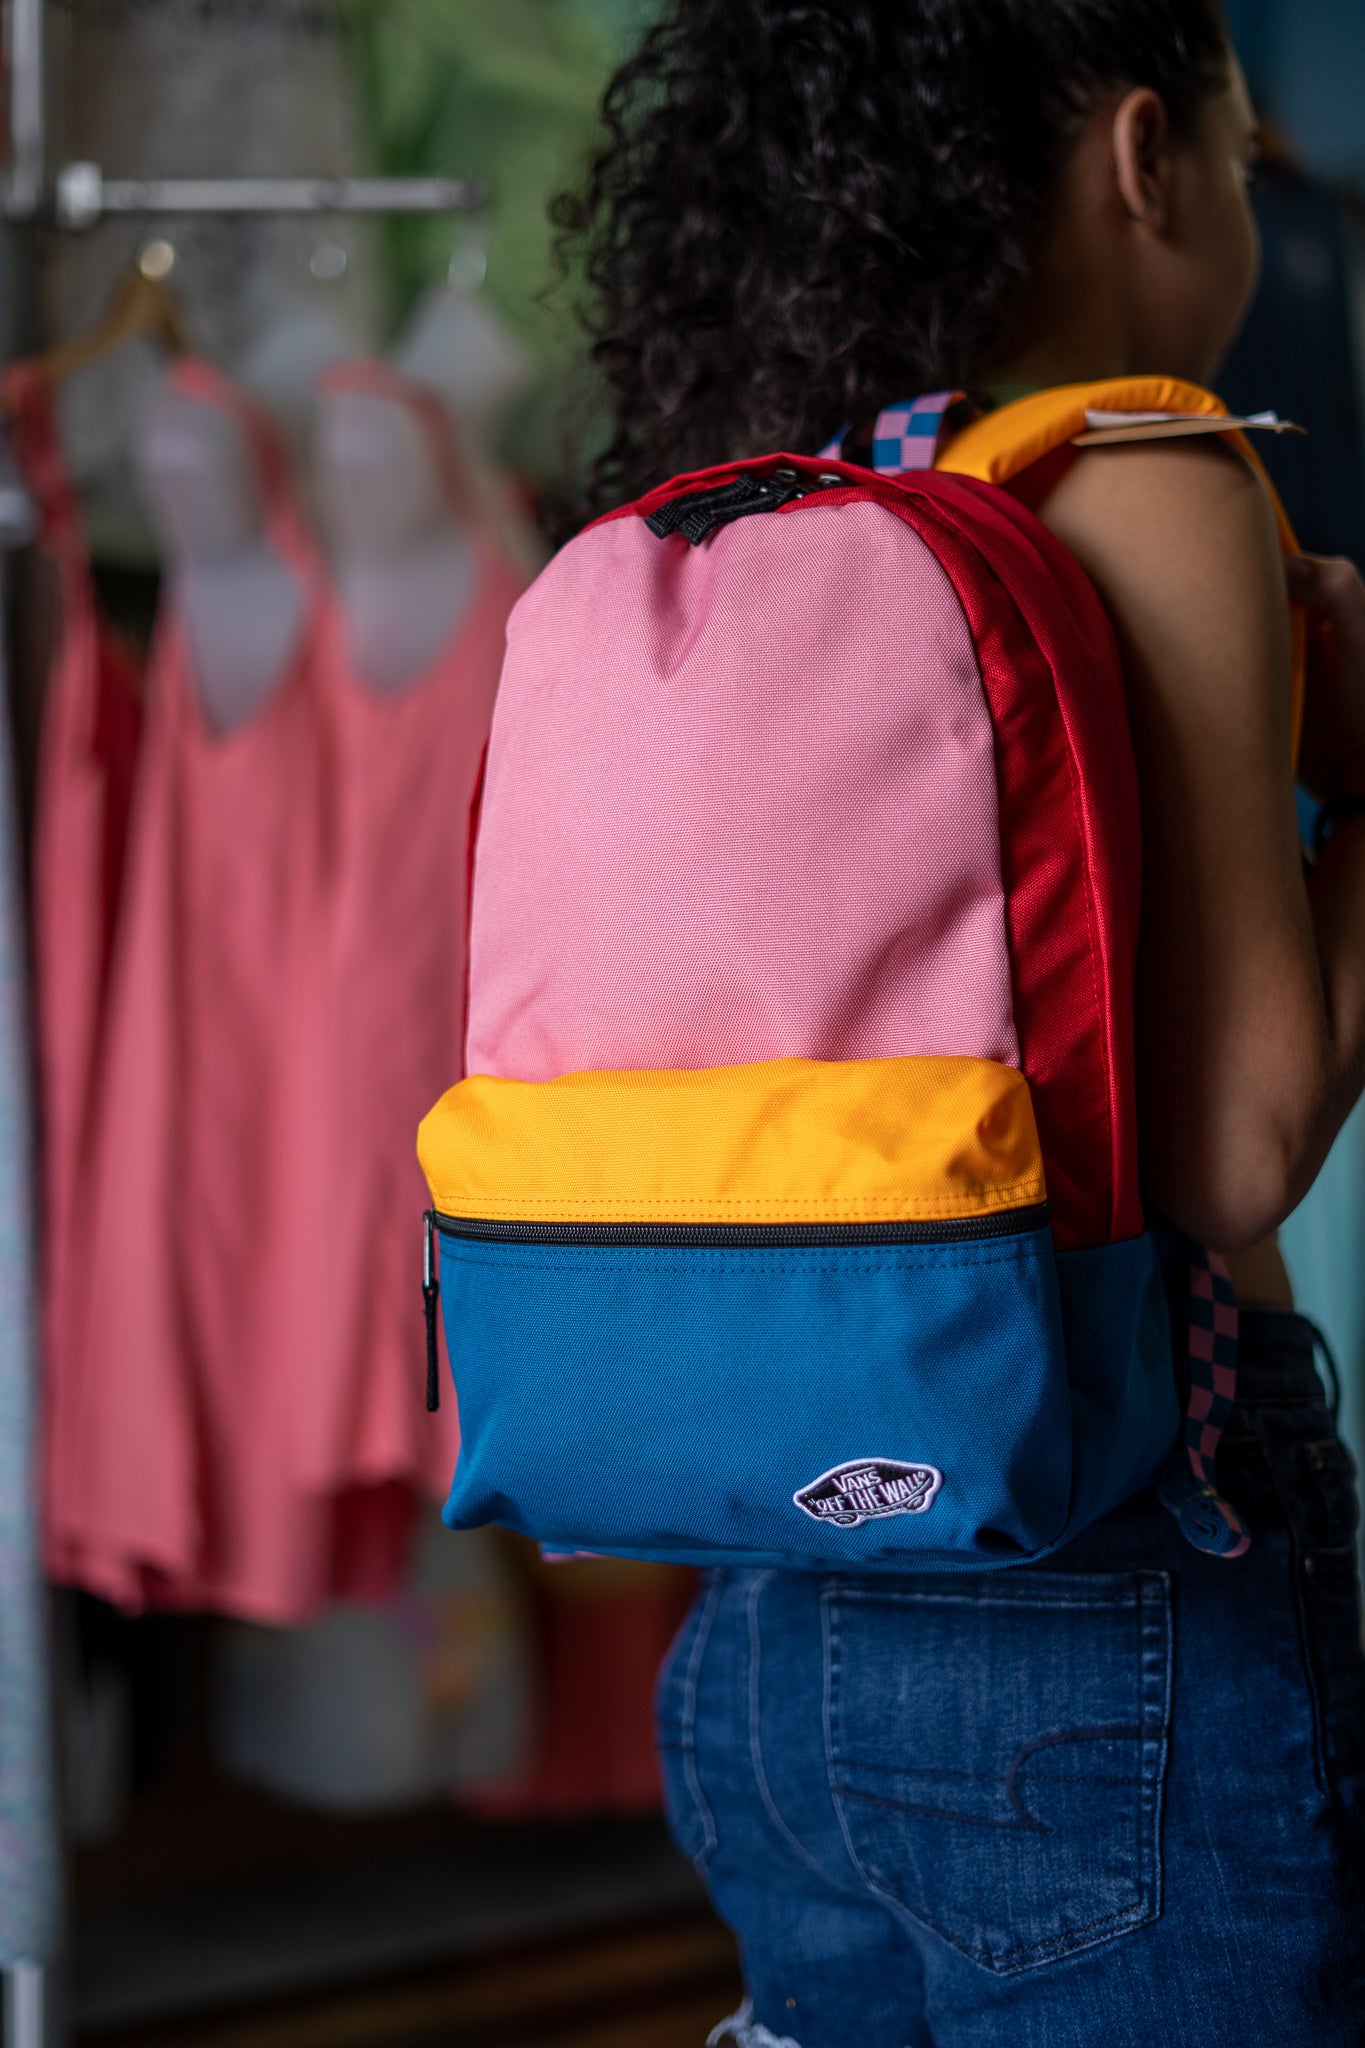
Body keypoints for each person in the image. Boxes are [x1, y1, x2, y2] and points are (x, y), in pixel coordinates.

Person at [552, 4, 1365, 2043]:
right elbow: (1234, 1142)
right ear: (1135, 158)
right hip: (1110, 1577)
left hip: (758, 1614)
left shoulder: (747, 508)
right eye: (1244, 155)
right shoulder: (1140, 463)